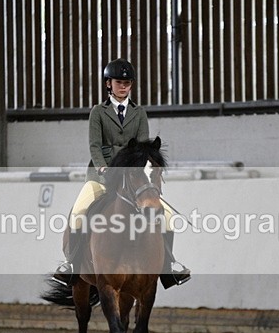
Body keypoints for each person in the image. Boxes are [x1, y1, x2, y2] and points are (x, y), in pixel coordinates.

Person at [52, 58, 191, 289]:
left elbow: (144, 147)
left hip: (133, 179)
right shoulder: (98, 112)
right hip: (101, 175)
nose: (123, 86)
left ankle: (168, 267)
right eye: (118, 82)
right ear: (109, 84)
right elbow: (95, 145)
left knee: (167, 217)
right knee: (78, 211)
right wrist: (103, 166)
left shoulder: (139, 113)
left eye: (127, 82)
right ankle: (71, 265)